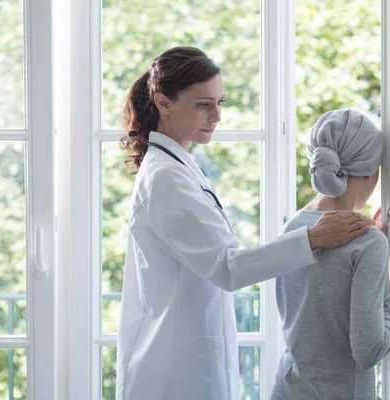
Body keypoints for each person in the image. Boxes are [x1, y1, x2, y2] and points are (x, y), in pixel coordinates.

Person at [114, 47, 373, 400]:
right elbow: (228, 267)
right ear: (164, 103)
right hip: (172, 371)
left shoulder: (179, 167)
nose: (217, 115)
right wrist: (311, 238)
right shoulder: (165, 178)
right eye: (203, 104)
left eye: (220, 102)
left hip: (187, 359)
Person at [270, 109, 390, 400]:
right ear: (373, 173)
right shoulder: (367, 244)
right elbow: (368, 351)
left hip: (285, 389)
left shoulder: (294, 228)